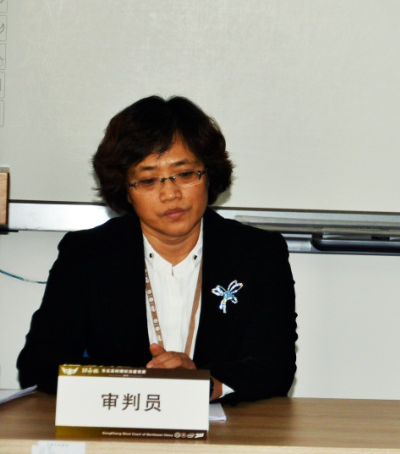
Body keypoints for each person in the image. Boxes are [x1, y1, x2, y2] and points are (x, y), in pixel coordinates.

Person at [18, 96, 297, 403]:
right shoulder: (87, 255)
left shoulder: (258, 254)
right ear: (126, 190)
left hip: (228, 427)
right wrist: (138, 385)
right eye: (148, 180)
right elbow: (39, 365)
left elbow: (275, 367)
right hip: (120, 424)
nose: (170, 194)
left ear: (209, 175)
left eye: (185, 174)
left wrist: (207, 384)